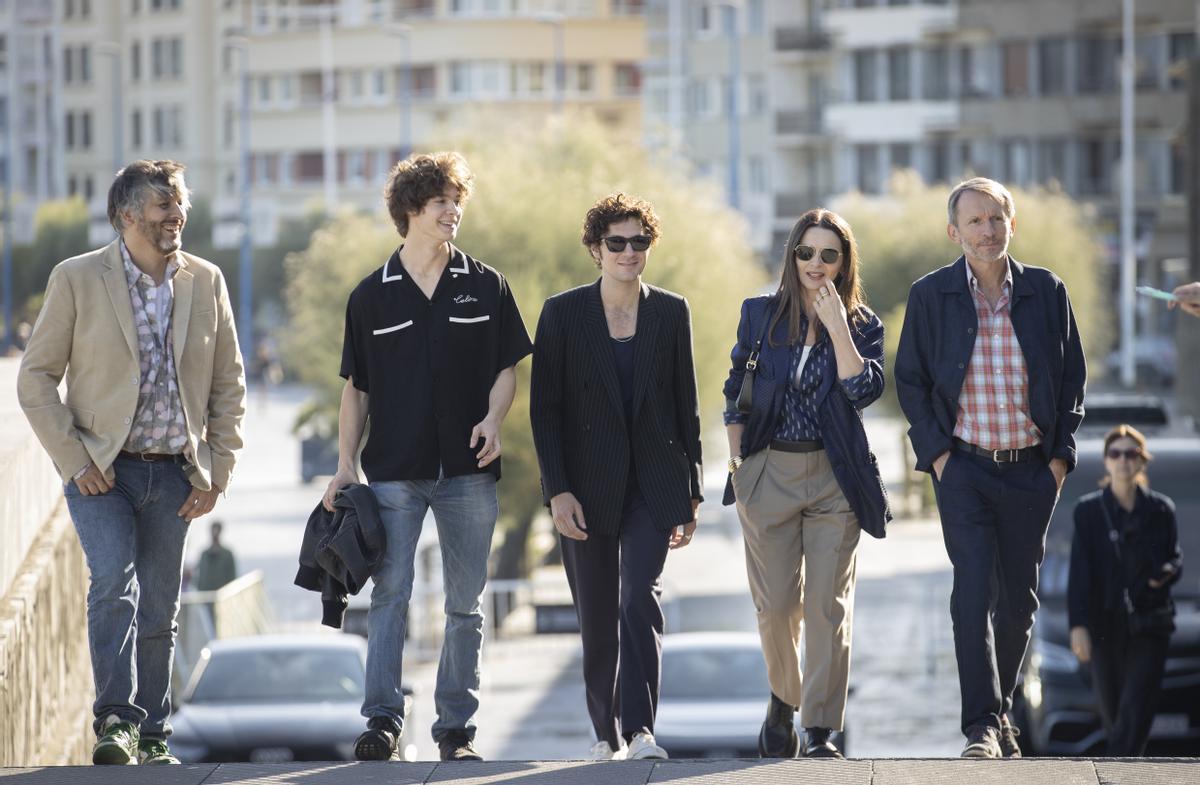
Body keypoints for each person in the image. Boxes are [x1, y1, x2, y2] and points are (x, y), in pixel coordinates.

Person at [17, 160, 246, 766]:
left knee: (161, 604)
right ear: (126, 215)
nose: (176, 217)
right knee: (113, 582)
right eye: (162, 206)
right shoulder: (77, 278)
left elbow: (229, 382)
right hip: (103, 473)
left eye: (180, 206)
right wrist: (73, 459)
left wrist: (218, 471)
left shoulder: (207, 281)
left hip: (176, 472)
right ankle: (115, 721)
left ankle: (154, 735)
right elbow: (35, 378)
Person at [323, 152, 532, 762]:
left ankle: (455, 731)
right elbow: (355, 390)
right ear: (410, 210)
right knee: (390, 595)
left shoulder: (486, 284)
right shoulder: (370, 297)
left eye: (457, 199)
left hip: (469, 472)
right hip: (392, 472)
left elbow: (505, 369)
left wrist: (495, 419)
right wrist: (344, 465)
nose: (453, 210)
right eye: (441, 200)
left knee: (466, 604)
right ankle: (383, 722)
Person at [894, 177, 1087, 758]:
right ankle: (981, 726)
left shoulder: (1047, 291)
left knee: (1020, 600)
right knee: (973, 590)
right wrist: (941, 458)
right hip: (966, 470)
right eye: (974, 221)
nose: (987, 230)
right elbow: (912, 381)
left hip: (1031, 470)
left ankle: (999, 712)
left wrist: (1058, 458)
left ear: (1012, 223)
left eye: (996, 217)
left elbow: (1073, 376)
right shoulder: (931, 296)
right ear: (954, 232)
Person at [530, 193, 703, 761]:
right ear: (594, 249)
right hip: (584, 488)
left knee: (638, 599)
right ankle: (604, 735)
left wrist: (691, 492)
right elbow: (545, 412)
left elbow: (687, 408)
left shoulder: (671, 311)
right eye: (617, 242)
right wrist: (557, 491)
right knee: (598, 615)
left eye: (639, 242)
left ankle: (640, 732)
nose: (629, 252)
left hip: (653, 486)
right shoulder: (561, 313)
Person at [722, 208, 890, 760]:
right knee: (776, 609)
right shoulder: (758, 315)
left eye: (829, 255)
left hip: (834, 478)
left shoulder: (863, 324)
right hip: (769, 470)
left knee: (825, 607)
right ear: (791, 256)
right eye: (806, 252)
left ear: (844, 264)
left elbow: (863, 391)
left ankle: (819, 730)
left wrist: (839, 325)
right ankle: (782, 698)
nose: (816, 264)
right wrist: (738, 467)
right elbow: (735, 390)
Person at [1068, 425, 1182, 756]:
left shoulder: (1161, 510)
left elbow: (1175, 558)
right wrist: (1078, 626)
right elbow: (1079, 573)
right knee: (1115, 713)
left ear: (1142, 461)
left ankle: (1115, 772)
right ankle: (1127, 772)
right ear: (1106, 461)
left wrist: (1164, 574)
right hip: (1104, 626)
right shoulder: (1088, 512)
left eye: (1131, 453)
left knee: (1135, 707)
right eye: (1115, 453)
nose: (1123, 460)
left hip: (1149, 624)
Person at [194, 520, 238, 591]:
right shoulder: (204, 554)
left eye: (217, 530)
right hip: (205, 596)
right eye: (213, 530)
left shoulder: (227, 554)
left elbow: (232, 576)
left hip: (222, 595)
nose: (215, 533)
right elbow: (197, 574)